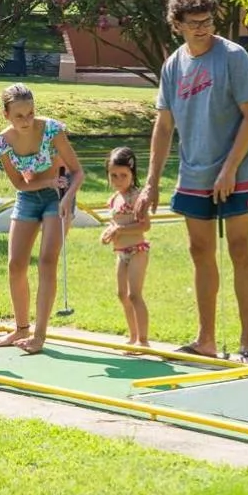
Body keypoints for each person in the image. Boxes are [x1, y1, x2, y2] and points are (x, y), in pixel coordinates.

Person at [139, 0, 248, 363]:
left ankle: (247, 345)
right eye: (193, 22)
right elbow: (163, 126)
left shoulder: (233, 57)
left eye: (207, 20)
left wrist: (229, 169)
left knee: (240, 250)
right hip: (194, 173)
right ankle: (206, 340)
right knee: (200, 251)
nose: (202, 28)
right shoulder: (173, 65)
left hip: (237, 171)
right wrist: (151, 183)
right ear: (177, 23)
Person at [0, 83, 83, 354]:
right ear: (6, 114)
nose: (27, 120)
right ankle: (21, 329)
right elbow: (19, 184)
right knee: (15, 264)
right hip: (30, 196)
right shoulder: (3, 143)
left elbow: (77, 172)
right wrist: (46, 181)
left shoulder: (52, 130)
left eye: (30, 113)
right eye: (19, 116)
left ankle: (39, 336)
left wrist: (66, 197)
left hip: (59, 197)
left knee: (46, 261)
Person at [100, 146, 152, 347]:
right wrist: (109, 231)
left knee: (134, 294)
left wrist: (119, 230)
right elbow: (116, 223)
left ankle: (143, 340)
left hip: (137, 249)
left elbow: (144, 225)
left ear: (132, 173)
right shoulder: (114, 199)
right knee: (122, 294)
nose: (118, 180)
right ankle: (132, 336)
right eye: (113, 176)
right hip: (121, 252)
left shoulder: (136, 197)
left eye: (123, 175)